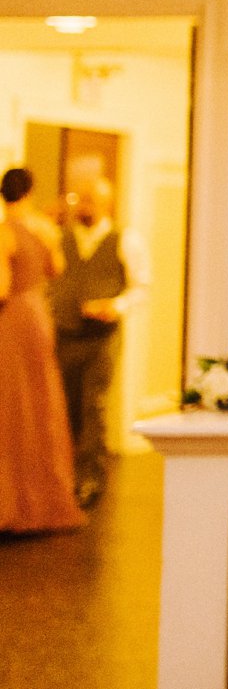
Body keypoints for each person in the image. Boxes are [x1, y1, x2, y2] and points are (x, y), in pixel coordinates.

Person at [50, 174, 145, 509]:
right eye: (80, 198)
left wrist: (115, 307)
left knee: (95, 405)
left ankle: (91, 476)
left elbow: (141, 287)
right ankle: (61, 476)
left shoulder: (125, 239)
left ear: (106, 203)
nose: (83, 205)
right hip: (64, 334)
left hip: (101, 337)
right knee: (63, 406)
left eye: (90, 199)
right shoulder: (61, 236)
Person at [0, 167, 85, 534]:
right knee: (42, 400)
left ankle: (13, 503)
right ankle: (48, 500)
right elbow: (56, 269)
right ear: (30, 191)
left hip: (13, 317)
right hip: (38, 314)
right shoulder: (44, 229)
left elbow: (1, 288)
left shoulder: (3, 232)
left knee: (12, 404)